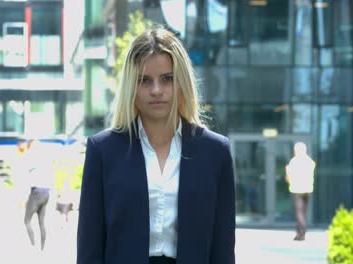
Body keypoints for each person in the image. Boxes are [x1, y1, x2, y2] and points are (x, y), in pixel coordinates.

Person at [77, 25, 235, 264]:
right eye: (145, 81)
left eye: (167, 79)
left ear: (182, 82)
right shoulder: (103, 151)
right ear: (132, 86)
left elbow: (222, 249)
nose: (157, 90)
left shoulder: (215, 152)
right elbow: (90, 248)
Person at [23, 139, 54, 251]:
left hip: (36, 192)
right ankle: (42, 248)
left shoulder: (31, 157)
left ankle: (33, 246)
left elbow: (26, 177)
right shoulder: (46, 159)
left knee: (27, 221)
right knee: (42, 222)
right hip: (46, 193)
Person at [285, 142, 316, 241]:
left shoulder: (294, 162)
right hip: (308, 189)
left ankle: (301, 233)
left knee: (299, 212)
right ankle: (300, 233)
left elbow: (288, 178)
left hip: (297, 189)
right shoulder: (310, 161)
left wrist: (287, 171)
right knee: (304, 212)